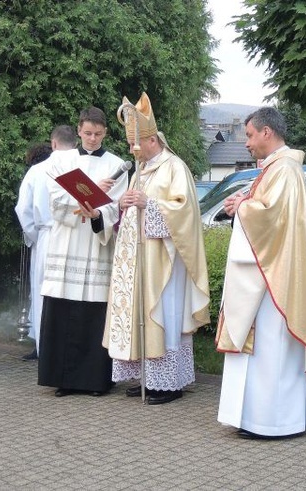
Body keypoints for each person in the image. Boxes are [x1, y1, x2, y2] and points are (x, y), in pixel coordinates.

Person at [216, 107, 306, 438]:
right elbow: (270, 214)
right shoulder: (276, 169)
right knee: (267, 349)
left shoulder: (283, 170)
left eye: (251, 136)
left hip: (274, 278)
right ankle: (257, 418)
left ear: (267, 132)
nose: (247, 143)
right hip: (270, 271)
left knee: (273, 348)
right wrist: (242, 204)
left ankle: (273, 422)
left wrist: (243, 207)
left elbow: (269, 221)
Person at [104, 92, 211, 405]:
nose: (131, 150)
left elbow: (184, 211)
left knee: (163, 314)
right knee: (139, 312)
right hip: (139, 259)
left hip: (164, 260)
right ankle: (145, 377)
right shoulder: (141, 169)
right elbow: (132, 211)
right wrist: (124, 203)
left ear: (150, 140)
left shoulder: (174, 167)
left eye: (133, 144)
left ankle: (169, 383)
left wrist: (148, 203)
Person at [37, 107, 128, 396]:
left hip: (94, 241)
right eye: (88, 133)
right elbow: (54, 196)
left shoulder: (116, 164)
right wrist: (90, 190)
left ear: (105, 133)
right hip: (67, 240)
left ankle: (95, 380)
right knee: (63, 308)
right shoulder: (60, 159)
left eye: (98, 134)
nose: (92, 139)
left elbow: (117, 205)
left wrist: (99, 210)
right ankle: (62, 379)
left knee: (94, 311)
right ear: (78, 130)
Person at [15, 125, 77, 361]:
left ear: (53, 143)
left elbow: (24, 209)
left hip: (47, 235)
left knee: (43, 291)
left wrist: (35, 237)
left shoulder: (38, 170)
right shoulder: (83, 166)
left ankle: (45, 347)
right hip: (78, 236)